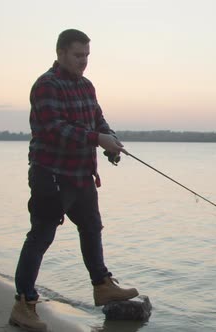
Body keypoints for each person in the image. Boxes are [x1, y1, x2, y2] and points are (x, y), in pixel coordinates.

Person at [9, 29, 139, 332]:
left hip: (81, 175)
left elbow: (99, 121)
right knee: (41, 236)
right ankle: (23, 304)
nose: (84, 62)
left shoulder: (86, 86)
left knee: (92, 227)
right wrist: (97, 138)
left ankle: (102, 285)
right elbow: (55, 129)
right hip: (50, 175)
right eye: (78, 55)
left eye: (87, 56)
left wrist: (112, 145)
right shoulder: (46, 86)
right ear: (61, 53)